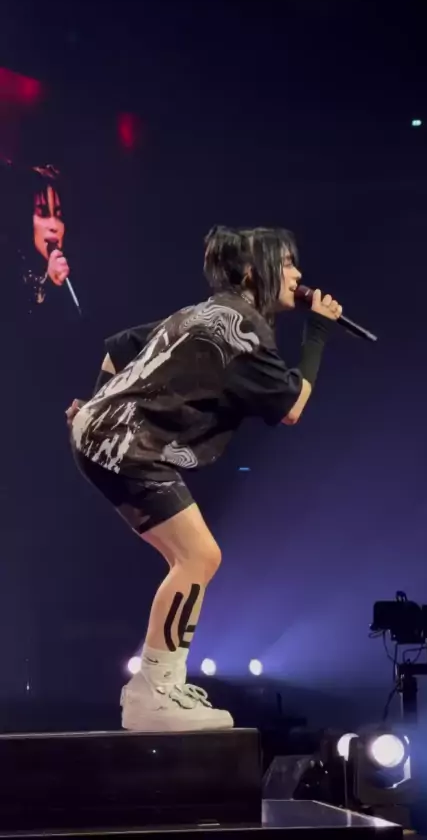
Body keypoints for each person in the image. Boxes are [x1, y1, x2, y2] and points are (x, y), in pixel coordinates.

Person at [70, 225, 342, 732]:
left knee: (193, 556)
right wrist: (319, 333)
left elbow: (118, 348)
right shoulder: (242, 331)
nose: (298, 274)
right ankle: (154, 690)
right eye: (286, 263)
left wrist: (98, 400)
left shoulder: (203, 312)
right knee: (198, 556)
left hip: (107, 435)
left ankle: (158, 686)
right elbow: (292, 406)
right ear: (252, 272)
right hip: (127, 444)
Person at [0, 160, 71, 311]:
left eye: (58, 215)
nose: (54, 226)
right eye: (43, 213)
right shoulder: (8, 272)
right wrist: (49, 285)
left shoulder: (69, 272)